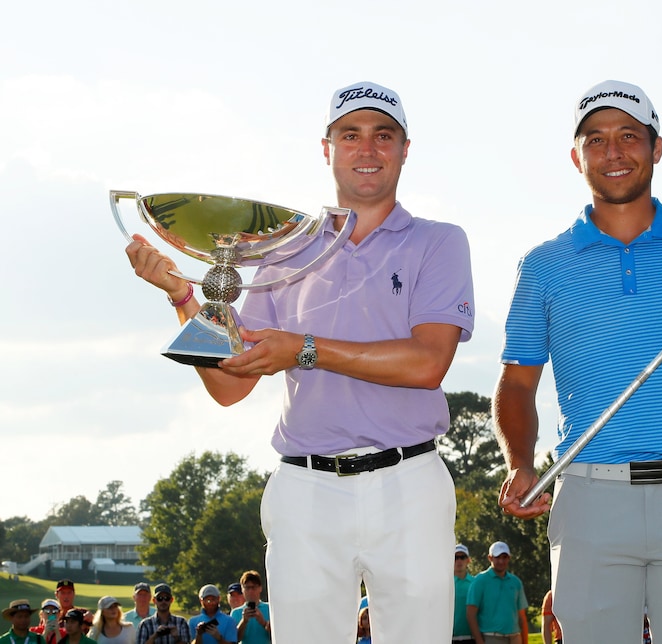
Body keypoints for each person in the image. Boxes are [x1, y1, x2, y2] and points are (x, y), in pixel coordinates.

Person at [125, 80, 474, 643]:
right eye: (350, 135)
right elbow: (230, 385)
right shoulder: (284, 247)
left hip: (410, 482)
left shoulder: (438, 242)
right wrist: (185, 297)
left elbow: (427, 363)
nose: (367, 149)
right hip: (306, 489)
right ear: (326, 147)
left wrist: (305, 349)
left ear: (405, 149)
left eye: (383, 136)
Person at [493, 79, 662, 643]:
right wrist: (520, 459)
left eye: (629, 136)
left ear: (656, 148)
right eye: (596, 140)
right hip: (591, 500)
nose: (613, 151)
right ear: (577, 157)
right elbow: (517, 384)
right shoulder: (543, 265)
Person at [466, 541, 528, 644]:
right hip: (492, 637)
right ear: (490, 558)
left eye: (504, 557)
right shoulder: (480, 581)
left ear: (509, 558)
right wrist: (479, 640)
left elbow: (521, 616)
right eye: (497, 557)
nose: (501, 561)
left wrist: (525, 641)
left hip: (515, 637)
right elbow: (470, 613)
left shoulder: (516, 582)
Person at [228, 572, 269, 644]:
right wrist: (244, 621)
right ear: (242, 590)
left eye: (254, 587)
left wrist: (263, 622)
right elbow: (234, 639)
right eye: (247, 588)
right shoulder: (236, 612)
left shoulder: (269, 608)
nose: (250, 591)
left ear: (260, 588)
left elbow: (279, 635)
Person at [454, 544, 476, 644]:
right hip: (450, 638)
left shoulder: (475, 583)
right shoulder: (445, 584)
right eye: (455, 557)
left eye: (462, 557)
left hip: (471, 637)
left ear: (468, 560)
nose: (459, 561)